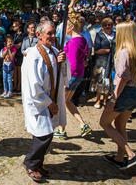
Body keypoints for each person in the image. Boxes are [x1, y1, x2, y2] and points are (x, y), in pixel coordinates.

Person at [21, 20, 67, 182]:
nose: (53, 36)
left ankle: (38, 163)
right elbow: (34, 84)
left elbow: (60, 71)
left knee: (47, 133)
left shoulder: (54, 51)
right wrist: (50, 103)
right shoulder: (33, 55)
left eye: (54, 33)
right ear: (38, 35)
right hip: (38, 101)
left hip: (49, 98)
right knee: (44, 134)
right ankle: (30, 163)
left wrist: (62, 60)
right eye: (49, 33)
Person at [100, 21, 136, 169]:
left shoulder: (124, 52)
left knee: (104, 123)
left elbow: (123, 78)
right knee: (120, 125)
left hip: (124, 93)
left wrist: (113, 98)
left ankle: (130, 154)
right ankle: (119, 158)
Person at [54, 16, 92, 140]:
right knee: (67, 102)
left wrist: (66, 82)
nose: (63, 30)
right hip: (79, 74)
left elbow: (73, 62)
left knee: (61, 102)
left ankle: (62, 130)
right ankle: (82, 125)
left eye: (65, 27)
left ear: (71, 26)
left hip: (72, 75)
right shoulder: (82, 40)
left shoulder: (74, 42)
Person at [90, 18, 116, 108]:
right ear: (102, 26)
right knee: (100, 81)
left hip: (113, 62)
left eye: (109, 25)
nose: (107, 27)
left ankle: (105, 99)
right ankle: (98, 99)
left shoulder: (116, 35)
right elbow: (96, 50)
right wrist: (108, 50)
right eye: (105, 25)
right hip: (101, 62)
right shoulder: (99, 35)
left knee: (109, 81)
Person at [12, 22, 27, 92]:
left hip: (20, 54)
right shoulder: (15, 35)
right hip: (14, 54)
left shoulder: (24, 35)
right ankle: (14, 85)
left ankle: (19, 86)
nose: (13, 27)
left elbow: (19, 45)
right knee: (15, 70)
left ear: (19, 26)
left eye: (15, 26)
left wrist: (12, 45)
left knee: (20, 71)